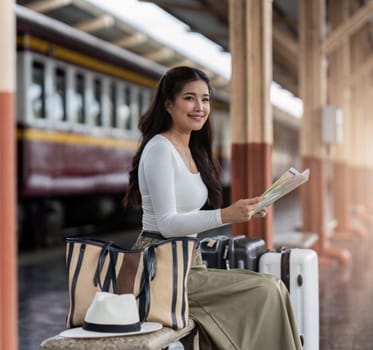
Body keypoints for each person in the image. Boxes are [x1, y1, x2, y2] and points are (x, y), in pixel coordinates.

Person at [124, 66, 302, 350]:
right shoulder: (159, 148)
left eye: (205, 99)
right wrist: (227, 215)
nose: (200, 107)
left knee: (274, 287)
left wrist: (248, 210)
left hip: (189, 265)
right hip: (160, 267)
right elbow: (168, 224)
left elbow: (188, 217)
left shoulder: (193, 150)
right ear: (169, 104)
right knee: (265, 290)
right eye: (190, 98)